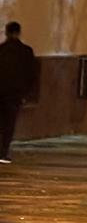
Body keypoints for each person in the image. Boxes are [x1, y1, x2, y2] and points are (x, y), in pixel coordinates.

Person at [0, 21, 39, 164]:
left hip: (1, 92)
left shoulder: (1, 50)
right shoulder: (26, 52)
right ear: (18, 33)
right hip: (15, 94)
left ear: (7, 32)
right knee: (9, 123)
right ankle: (3, 152)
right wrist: (26, 93)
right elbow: (32, 75)